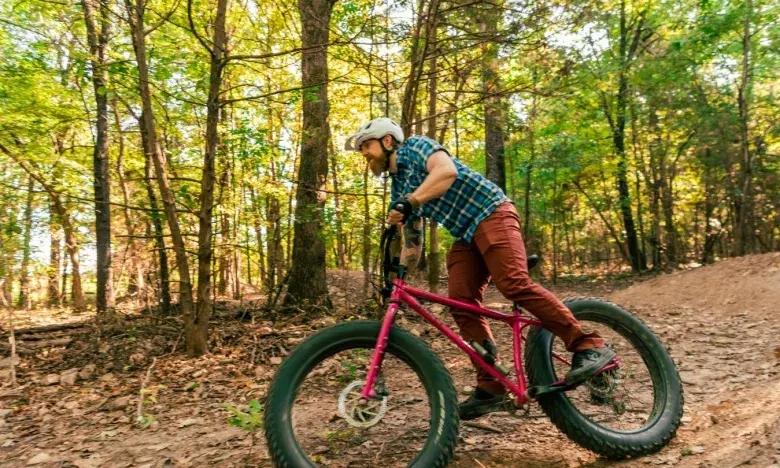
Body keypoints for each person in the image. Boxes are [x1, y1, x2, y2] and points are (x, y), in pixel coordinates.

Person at [345, 117, 615, 420]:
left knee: (513, 283)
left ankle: (589, 346)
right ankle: (492, 387)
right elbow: (413, 239)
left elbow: (446, 171)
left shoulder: (416, 147)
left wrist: (411, 201)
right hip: (466, 235)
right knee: (461, 301)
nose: (364, 153)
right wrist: (397, 277)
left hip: (492, 212)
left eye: (366, 145)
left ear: (388, 141)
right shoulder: (398, 186)